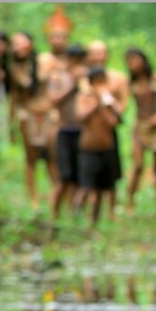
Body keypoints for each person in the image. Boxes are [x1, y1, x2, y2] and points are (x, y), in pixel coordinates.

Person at [7, 31, 57, 207]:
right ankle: (33, 198)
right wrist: (10, 124)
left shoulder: (45, 60)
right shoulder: (14, 68)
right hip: (27, 115)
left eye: (22, 43)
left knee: (52, 156)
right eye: (15, 44)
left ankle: (55, 194)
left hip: (48, 114)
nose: (18, 47)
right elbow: (14, 96)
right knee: (31, 158)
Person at [73, 66, 122, 226]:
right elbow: (81, 117)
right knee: (85, 187)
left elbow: (117, 121)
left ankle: (93, 223)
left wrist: (111, 106)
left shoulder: (109, 100)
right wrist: (97, 103)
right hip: (88, 150)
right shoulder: (84, 98)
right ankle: (75, 219)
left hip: (106, 149)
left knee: (101, 189)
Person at [86, 41, 129, 215]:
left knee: (111, 172)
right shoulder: (83, 79)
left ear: (107, 55)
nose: (98, 57)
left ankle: (111, 210)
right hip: (88, 132)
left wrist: (112, 114)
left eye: (101, 53)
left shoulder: (118, 79)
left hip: (109, 130)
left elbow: (124, 103)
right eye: (94, 53)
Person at [124, 47, 156, 209]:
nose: (131, 64)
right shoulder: (131, 83)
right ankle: (130, 201)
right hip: (140, 126)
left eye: (134, 59)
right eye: (128, 61)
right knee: (137, 165)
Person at [48, 43, 88, 219]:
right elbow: (53, 100)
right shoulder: (58, 77)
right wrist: (72, 85)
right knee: (65, 177)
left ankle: (76, 213)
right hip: (64, 131)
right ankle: (54, 213)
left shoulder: (87, 77)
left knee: (81, 176)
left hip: (83, 131)